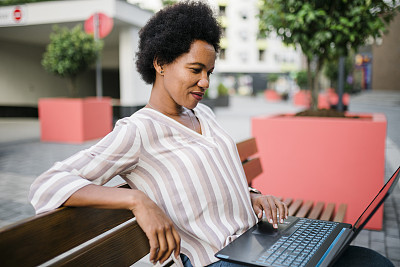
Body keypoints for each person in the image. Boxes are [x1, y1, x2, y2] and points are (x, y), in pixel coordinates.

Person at [29, 1, 393, 267]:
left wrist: (252, 196)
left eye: (210, 71)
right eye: (195, 69)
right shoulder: (137, 131)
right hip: (217, 260)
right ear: (159, 63)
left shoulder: (203, 114)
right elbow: (47, 184)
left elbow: (215, 174)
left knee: (372, 261)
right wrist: (137, 201)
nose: (205, 82)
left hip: (258, 241)